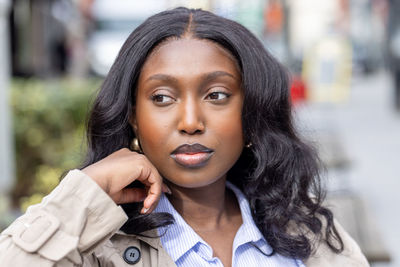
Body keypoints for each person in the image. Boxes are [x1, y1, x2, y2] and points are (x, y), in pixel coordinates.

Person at [0, 7, 368, 267]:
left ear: (251, 112)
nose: (190, 122)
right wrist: (84, 191)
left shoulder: (305, 233)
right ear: (132, 116)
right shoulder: (95, 249)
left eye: (216, 95)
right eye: (162, 98)